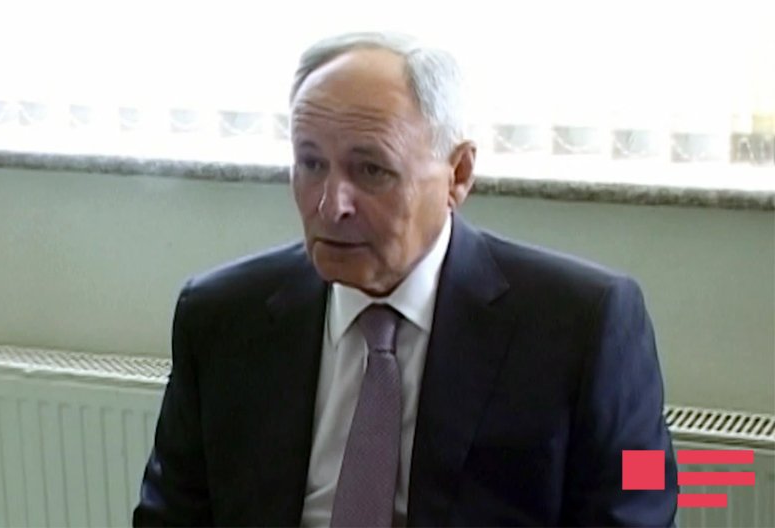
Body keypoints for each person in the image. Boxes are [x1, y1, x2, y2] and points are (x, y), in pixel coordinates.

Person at [133, 32, 678, 526]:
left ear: (458, 174)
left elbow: (641, 504)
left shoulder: (586, 326)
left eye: (371, 170)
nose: (331, 205)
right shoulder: (221, 316)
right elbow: (170, 515)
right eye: (312, 164)